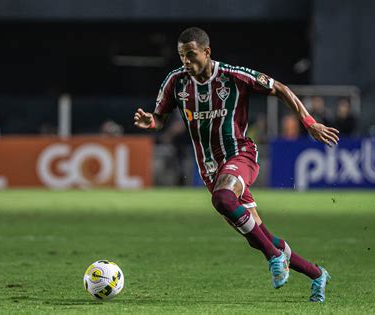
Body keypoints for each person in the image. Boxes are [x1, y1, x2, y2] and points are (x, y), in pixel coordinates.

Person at [134, 27, 339, 302]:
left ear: (206, 52)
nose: (186, 61)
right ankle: (317, 274)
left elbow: (280, 88)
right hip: (210, 169)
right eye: (182, 56)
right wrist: (152, 122)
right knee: (258, 236)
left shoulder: (233, 76)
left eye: (191, 55)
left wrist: (309, 123)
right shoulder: (176, 82)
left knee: (223, 198)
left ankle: (275, 258)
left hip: (239, 154)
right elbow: (159, 116)